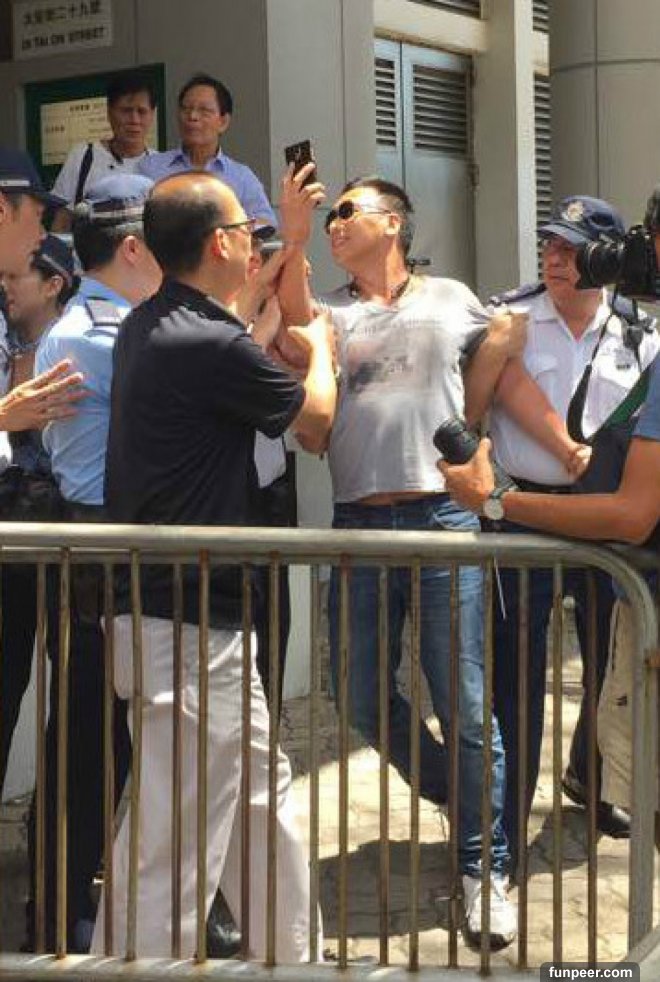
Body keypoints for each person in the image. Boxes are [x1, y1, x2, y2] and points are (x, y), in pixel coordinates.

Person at [276, 169, 531, 949]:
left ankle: (484, 868)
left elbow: (508, 350)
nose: (336, 223)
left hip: (443, 516)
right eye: (331, 217)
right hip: (359, 518)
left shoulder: (452, 298)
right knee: (357, 693)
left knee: (464, 698)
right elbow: (292, 335)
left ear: (394, 222)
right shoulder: (332, 312)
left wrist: (497, 425)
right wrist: (293, 231)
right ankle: (456, 788)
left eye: (347, 211)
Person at [93, 170, 335, 959]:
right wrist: (322, 354)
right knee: (174, 841)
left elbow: (241, 329)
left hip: (190, 617)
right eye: (247, 230)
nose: (254, 242)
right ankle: (132, 970)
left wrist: (292, 241)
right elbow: (316, 423)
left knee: (261, 805)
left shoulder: (158, 324)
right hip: (187, 621)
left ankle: (292, 961)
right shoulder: (202, 339)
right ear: (220, 243)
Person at [439, 183, 660, 831]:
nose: (556, 259)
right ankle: (506, 818)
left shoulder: (640, 328)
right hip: (526, 513)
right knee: (517, 673)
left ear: (606, 255)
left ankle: (593, 779)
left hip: (608, 522)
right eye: (550, 246)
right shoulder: (507, 317)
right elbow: (468, 411)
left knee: (607, 661)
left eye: (573, 248)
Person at [33, 173, 161, 952]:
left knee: (112, 738)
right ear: (135, 247)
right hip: (96, 554)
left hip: (115, 553)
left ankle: (78, 894)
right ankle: (57, 907)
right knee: (87, 740)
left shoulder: (116, 322)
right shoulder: (95, 334)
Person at [0, 234, 79, 794]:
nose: (5, 287)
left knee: (73, 679)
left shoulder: (74, 348)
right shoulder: (8, 344)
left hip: (66, 528)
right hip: (14, 530)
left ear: (54, 285)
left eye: (15, 277)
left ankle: (54, 823)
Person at [138, 73, 276, 228]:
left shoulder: (241, 177)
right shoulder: (151, 168)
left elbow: (266, 224)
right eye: (186, 109)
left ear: (223, 122)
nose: (192, 116)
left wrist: (227, 228)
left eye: (204, 111)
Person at [50, 71, 157, 230]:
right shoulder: (83, 156)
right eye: (126, 111)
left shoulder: (159, 165)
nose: (134, 120)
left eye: (142, 111)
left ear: (152, 115)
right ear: (109, 113)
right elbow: (62, 220)